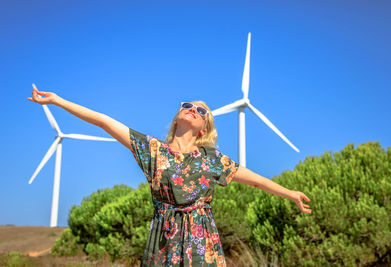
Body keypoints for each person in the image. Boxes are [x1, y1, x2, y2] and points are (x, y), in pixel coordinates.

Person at [28, 86, 311, 267]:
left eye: (201, 111)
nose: (193, 109)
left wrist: (290, 193)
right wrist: (58, 101)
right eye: (187, 105)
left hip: (202, 243)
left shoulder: (212, 160)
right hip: (164, 240)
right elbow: (103, 120)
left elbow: (255, 179)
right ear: (177, 118)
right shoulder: (153, 150)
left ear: (203, 128)